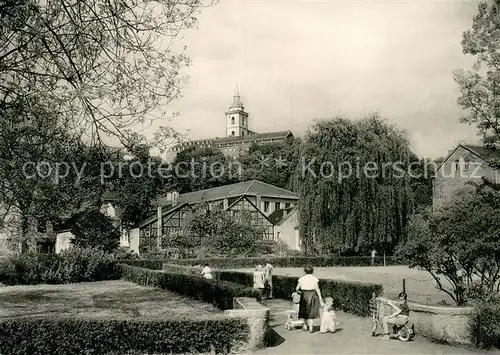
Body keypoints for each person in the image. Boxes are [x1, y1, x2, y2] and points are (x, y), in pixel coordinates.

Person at [296, 265, 324, 333]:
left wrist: (299, 292)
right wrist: (320, 298)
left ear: (305, 271)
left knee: (304, 309)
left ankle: (305, 325)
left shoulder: (301, 278)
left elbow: (297, 288)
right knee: (311, 310)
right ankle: (311, 327)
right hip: (312, 294)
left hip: (304, 294)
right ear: (312, 271)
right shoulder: (314, 279)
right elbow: (317, 289)